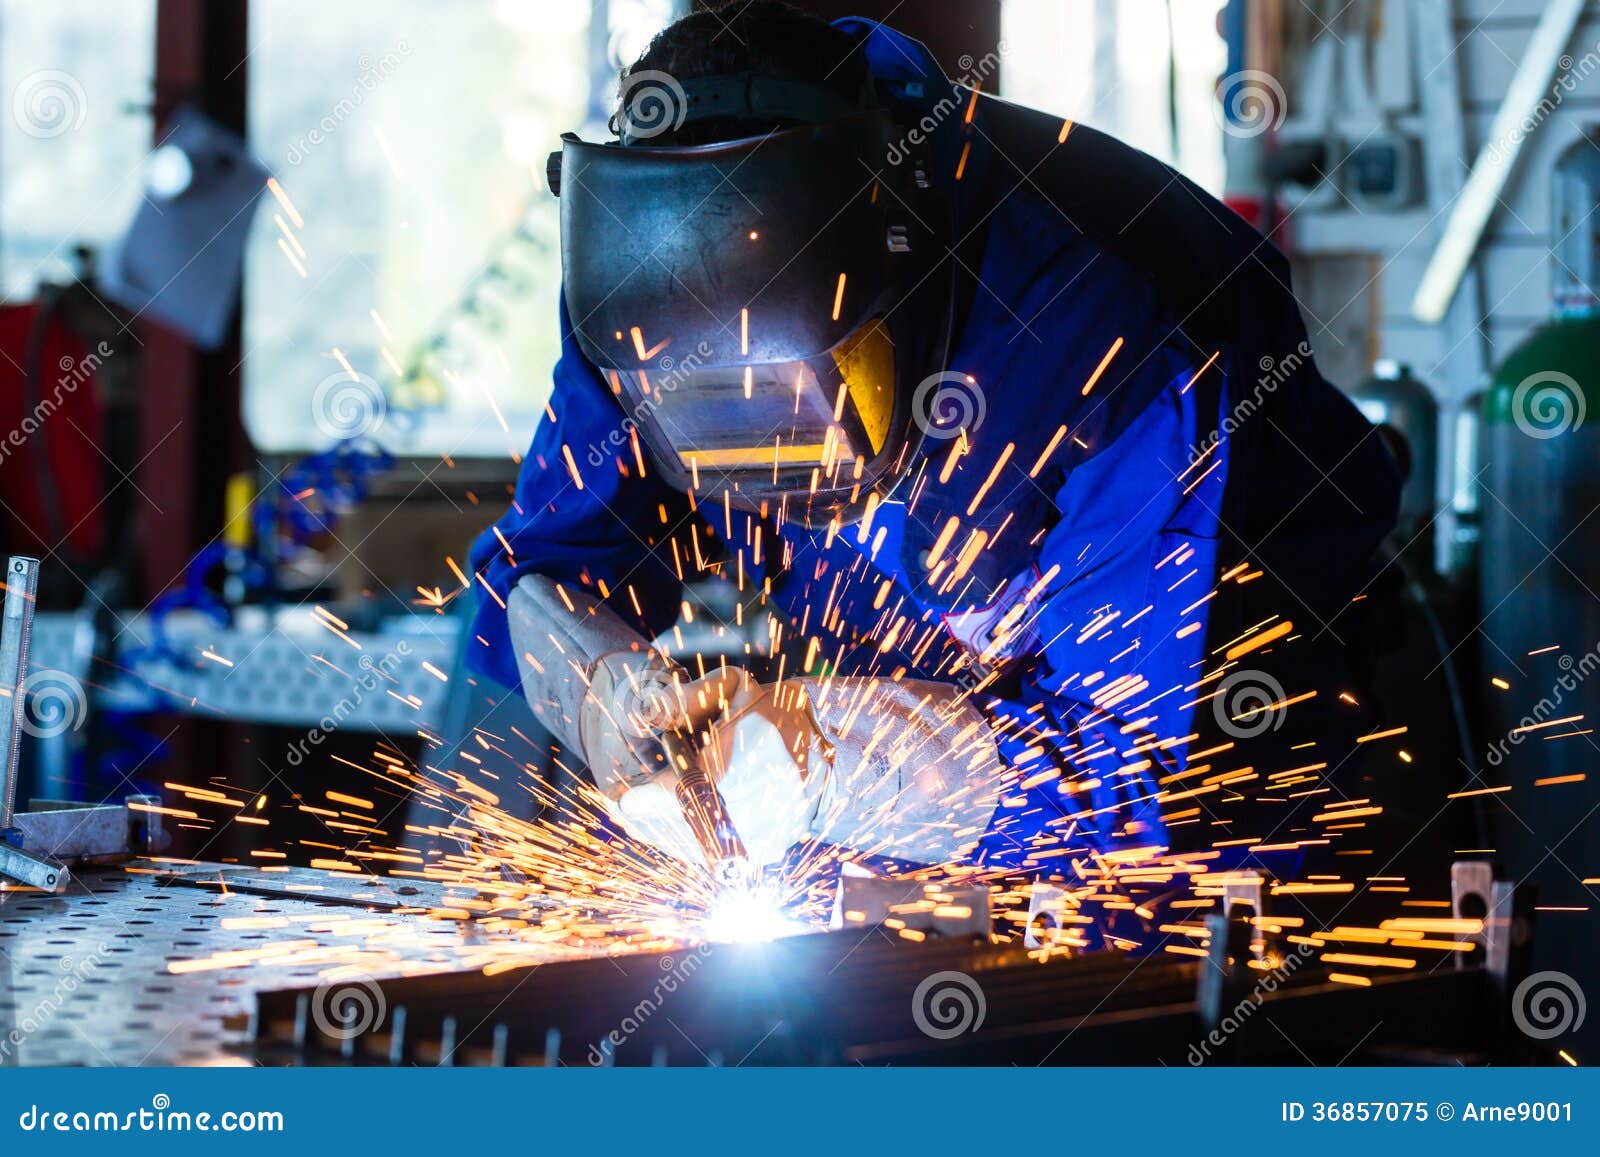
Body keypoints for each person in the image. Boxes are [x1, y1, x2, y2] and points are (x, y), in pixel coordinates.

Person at [467, 3, 1400, 881]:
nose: (771, 467)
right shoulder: (635, 293)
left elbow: (1131, 781)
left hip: (1236, 701)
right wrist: (604, 693)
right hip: (915, 710)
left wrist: (828, 762)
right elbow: (546, 571)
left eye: (800, 392)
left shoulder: (1098, 325)